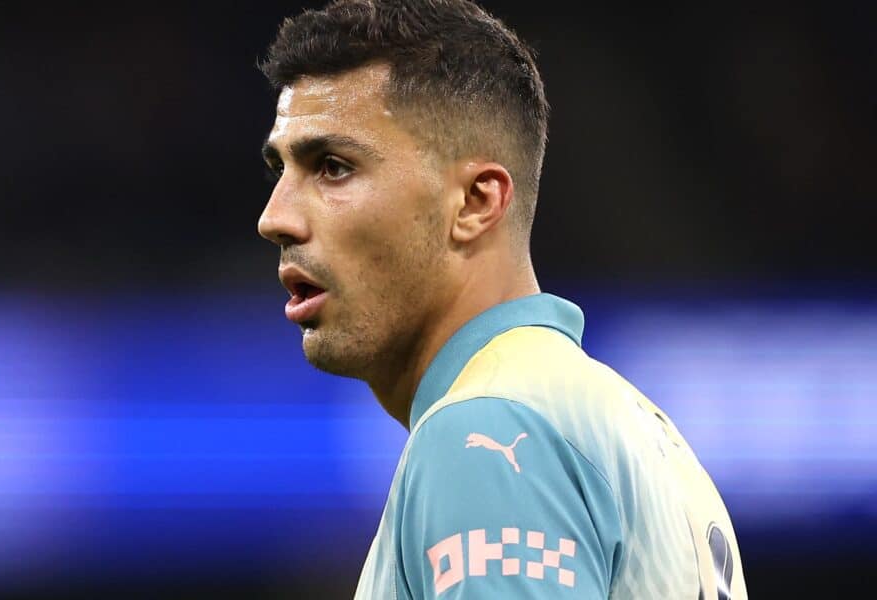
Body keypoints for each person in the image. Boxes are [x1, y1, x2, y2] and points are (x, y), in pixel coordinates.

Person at [256, 1, 747, 598]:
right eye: (279, 169)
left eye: (332, 167)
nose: (274, 218)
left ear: (475, 203)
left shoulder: (484, 429)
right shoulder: (643, 434)